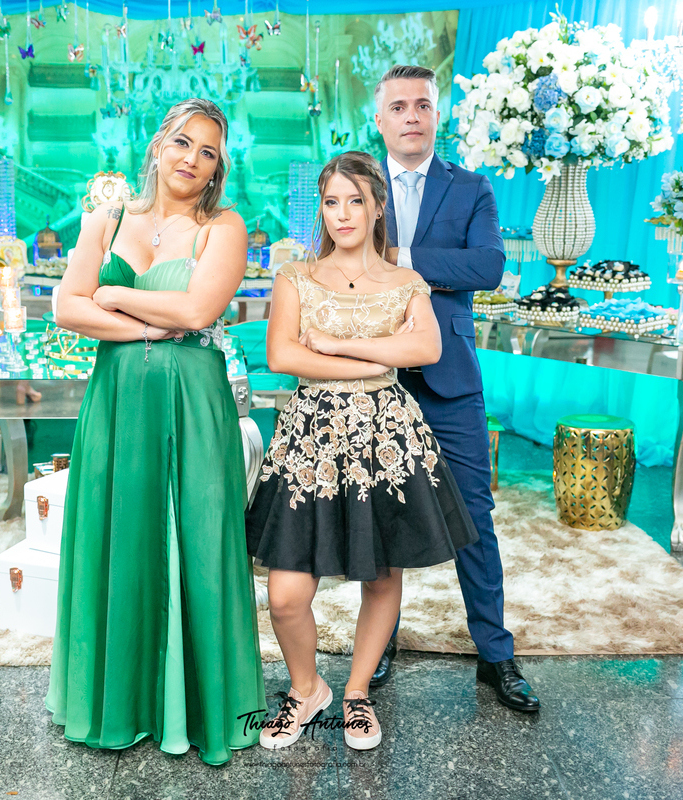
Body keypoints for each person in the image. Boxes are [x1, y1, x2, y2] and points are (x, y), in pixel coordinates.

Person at [46, 98, 265, 766]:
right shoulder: (107, 219)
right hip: (117, 402)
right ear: (157, 147)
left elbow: (197, 310)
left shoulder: (224, 226)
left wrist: (113, 297)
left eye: (208, 152)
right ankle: (124, 703)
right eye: (181, 143)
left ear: (218, 168)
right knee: (121, 538)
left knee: (196, 538)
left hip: (192, 405)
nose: (192, 159)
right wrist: (147, 324)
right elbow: (66, 307)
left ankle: (199, 709)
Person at [246, 151, 479, 751]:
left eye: (356, 201)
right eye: (331, 202)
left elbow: (427, 349)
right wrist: (375, 360)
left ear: (378, 208)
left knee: (381, 574)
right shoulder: (296, 276)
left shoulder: (405, 281)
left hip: (386, 440)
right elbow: (283, 356)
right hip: (311, 441)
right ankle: (307, 689)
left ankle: (355, 693)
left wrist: (332, 344)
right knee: (285, 595)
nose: (343, 214)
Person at [371, 64, 540, 712]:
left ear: (437, 116)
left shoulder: (471, 188)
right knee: (381, 513)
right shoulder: (358, 185)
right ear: (380, 119)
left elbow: (488, 266)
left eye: (422, 105)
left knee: (473, 514)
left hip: (451, 378)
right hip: (374, 376)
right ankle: (378, 642)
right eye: (399, 106)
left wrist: (399, 260)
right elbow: (333, 261)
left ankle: (495, 654)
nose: (411, 116)